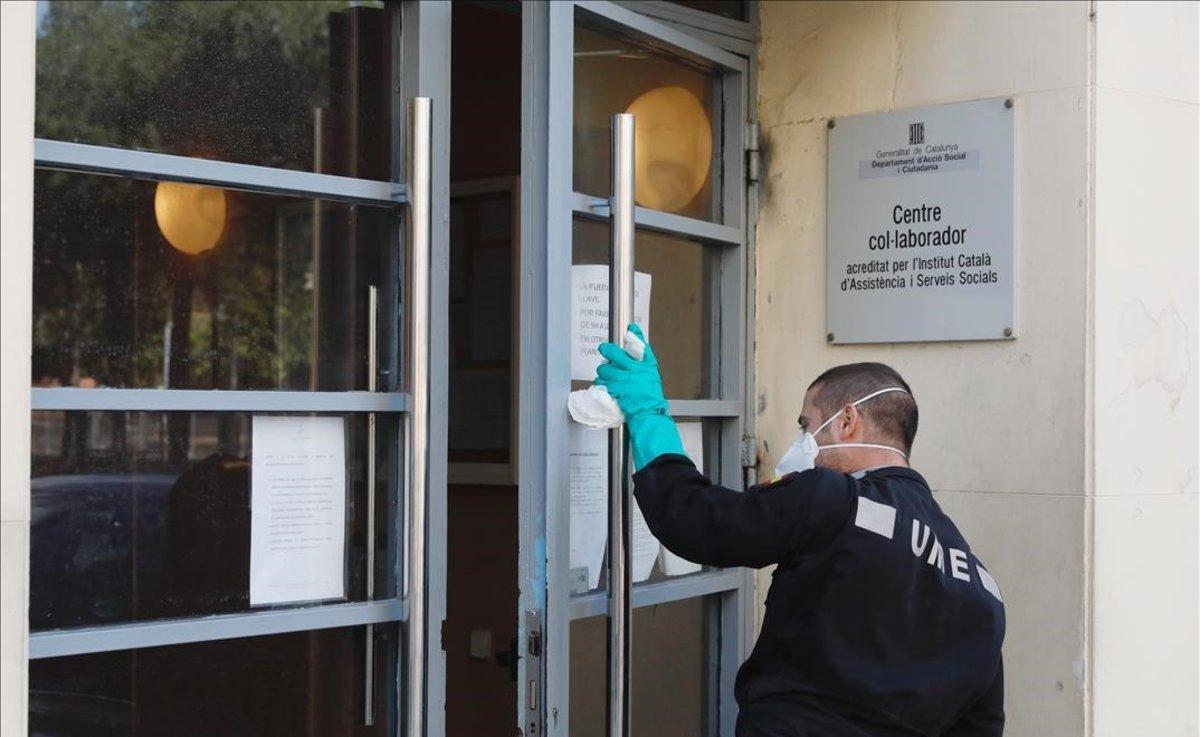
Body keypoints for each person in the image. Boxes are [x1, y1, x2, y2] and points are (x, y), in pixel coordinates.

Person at [594, 324, 1006, 737]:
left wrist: (648, 414)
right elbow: (981, 726)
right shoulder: (980, 586)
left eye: (807, 425)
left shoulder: (835, 500)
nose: (801, 440)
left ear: (847, 420)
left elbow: (695, 520)